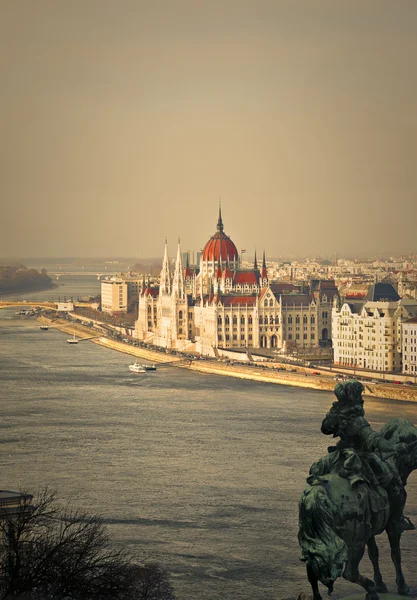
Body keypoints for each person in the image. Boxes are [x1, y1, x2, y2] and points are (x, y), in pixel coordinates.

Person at [318, 380, 414, 533]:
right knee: (395, 483)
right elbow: (373, 440)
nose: (362, 400)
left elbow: (325, 429)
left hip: (338, 455)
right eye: (360, 396)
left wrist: (334, 416)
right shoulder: (357, 420)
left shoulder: (335, 416)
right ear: (355, 398)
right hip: (361, 457)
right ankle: (397, 519)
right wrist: (393, 447)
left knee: (316, 471)